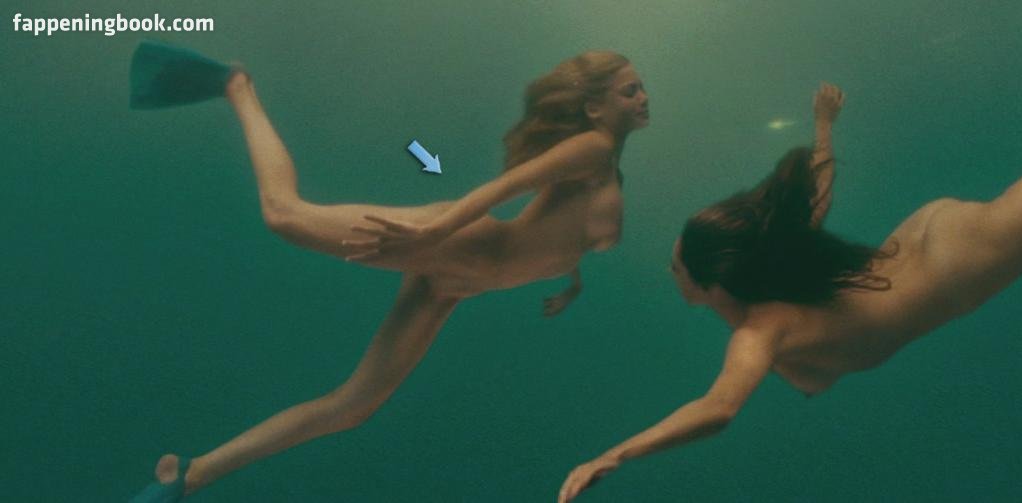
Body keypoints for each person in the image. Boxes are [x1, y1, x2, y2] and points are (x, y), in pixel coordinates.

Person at [559, 1, 1022, 500]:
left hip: (952, 263)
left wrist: (616, 454)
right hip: (928, 242)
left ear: (710, 286)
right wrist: (824, 127)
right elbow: (815, 200)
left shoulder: (761, 329)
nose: (669, 270)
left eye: (675, 265)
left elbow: (718, 409)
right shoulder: (772, 280)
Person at [130, 50, 649, 502]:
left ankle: (191, 475)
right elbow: (505, 188)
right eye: (630, 90)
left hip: (462, 281)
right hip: (459, 245)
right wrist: (433, 233)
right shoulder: (594, 149)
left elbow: (565, 238)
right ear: (594, 108)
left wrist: (571, 283)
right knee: (284, 215)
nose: (644, 98)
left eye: (641, 89)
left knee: (353, 406)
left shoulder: (609, 174)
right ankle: (236, 85)